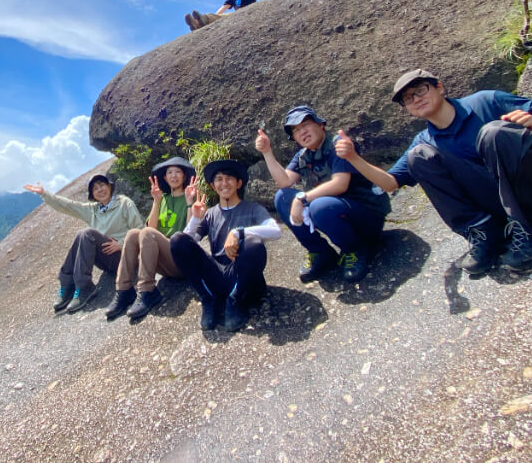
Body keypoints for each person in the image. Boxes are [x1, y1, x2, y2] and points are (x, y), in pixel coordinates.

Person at [334, 69, 532, 274]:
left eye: (420, 90)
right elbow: (390, 183)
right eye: (408, 99)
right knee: (418, 156)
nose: (416, 99)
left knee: (494, 132)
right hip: (506, 211)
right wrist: (353, 158)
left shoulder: (486, 101)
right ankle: (486, 234)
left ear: (440, 87)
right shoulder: (425, 141)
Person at [257, 105, 392, 284]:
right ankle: (320, 252)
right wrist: (267, 152)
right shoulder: (303, 156)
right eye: (296, 130)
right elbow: (284, 182)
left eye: (305, 125)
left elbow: (340, 184)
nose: (302, 132)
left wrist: (302, 198)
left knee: (319, 206)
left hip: (367, 218)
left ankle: (354, 251)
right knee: (282, 198)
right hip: (336, 215)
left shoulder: (338, 144)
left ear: (321, 125)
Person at [169, 159, 282, 332]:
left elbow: (275, 230)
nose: (224, 183)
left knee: (253, 243)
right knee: (177, 239)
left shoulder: (253, 208)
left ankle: (236, 300)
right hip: (216, 276)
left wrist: (239, 233)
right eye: (219, 179)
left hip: (243, 278)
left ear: (239, 183)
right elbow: (184, 245)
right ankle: (208, 299)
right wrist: (196, 218)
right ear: (213, 186)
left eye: (229, 178)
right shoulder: (210, 214)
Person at [24, 174, 145, 313]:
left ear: (109, 186)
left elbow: (139, 229)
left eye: (102, 185)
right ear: (92, 194)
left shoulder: (124, 203)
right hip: (107, 261)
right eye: (95, 188)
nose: (100, 190)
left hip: (125, 257)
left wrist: (121, 244)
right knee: (81, 234)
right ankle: (68, 285)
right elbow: (68, 206)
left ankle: (84, 287)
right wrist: (44, 193)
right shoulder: (93, 210)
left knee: (87, 233)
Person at [105, 157, 198, 320]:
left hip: (181, 259)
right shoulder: (163, 199)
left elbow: (189, 234)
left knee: (147, 232)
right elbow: (152, 228)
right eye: (169, 172)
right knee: (132, 234)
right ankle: (124, 289)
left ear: (184, 176)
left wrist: (190, 202)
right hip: (164, 262)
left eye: (178, 172)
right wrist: (156, 201)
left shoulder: (191, 196)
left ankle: (147, 290)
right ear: (165, 178)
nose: (174, 175)